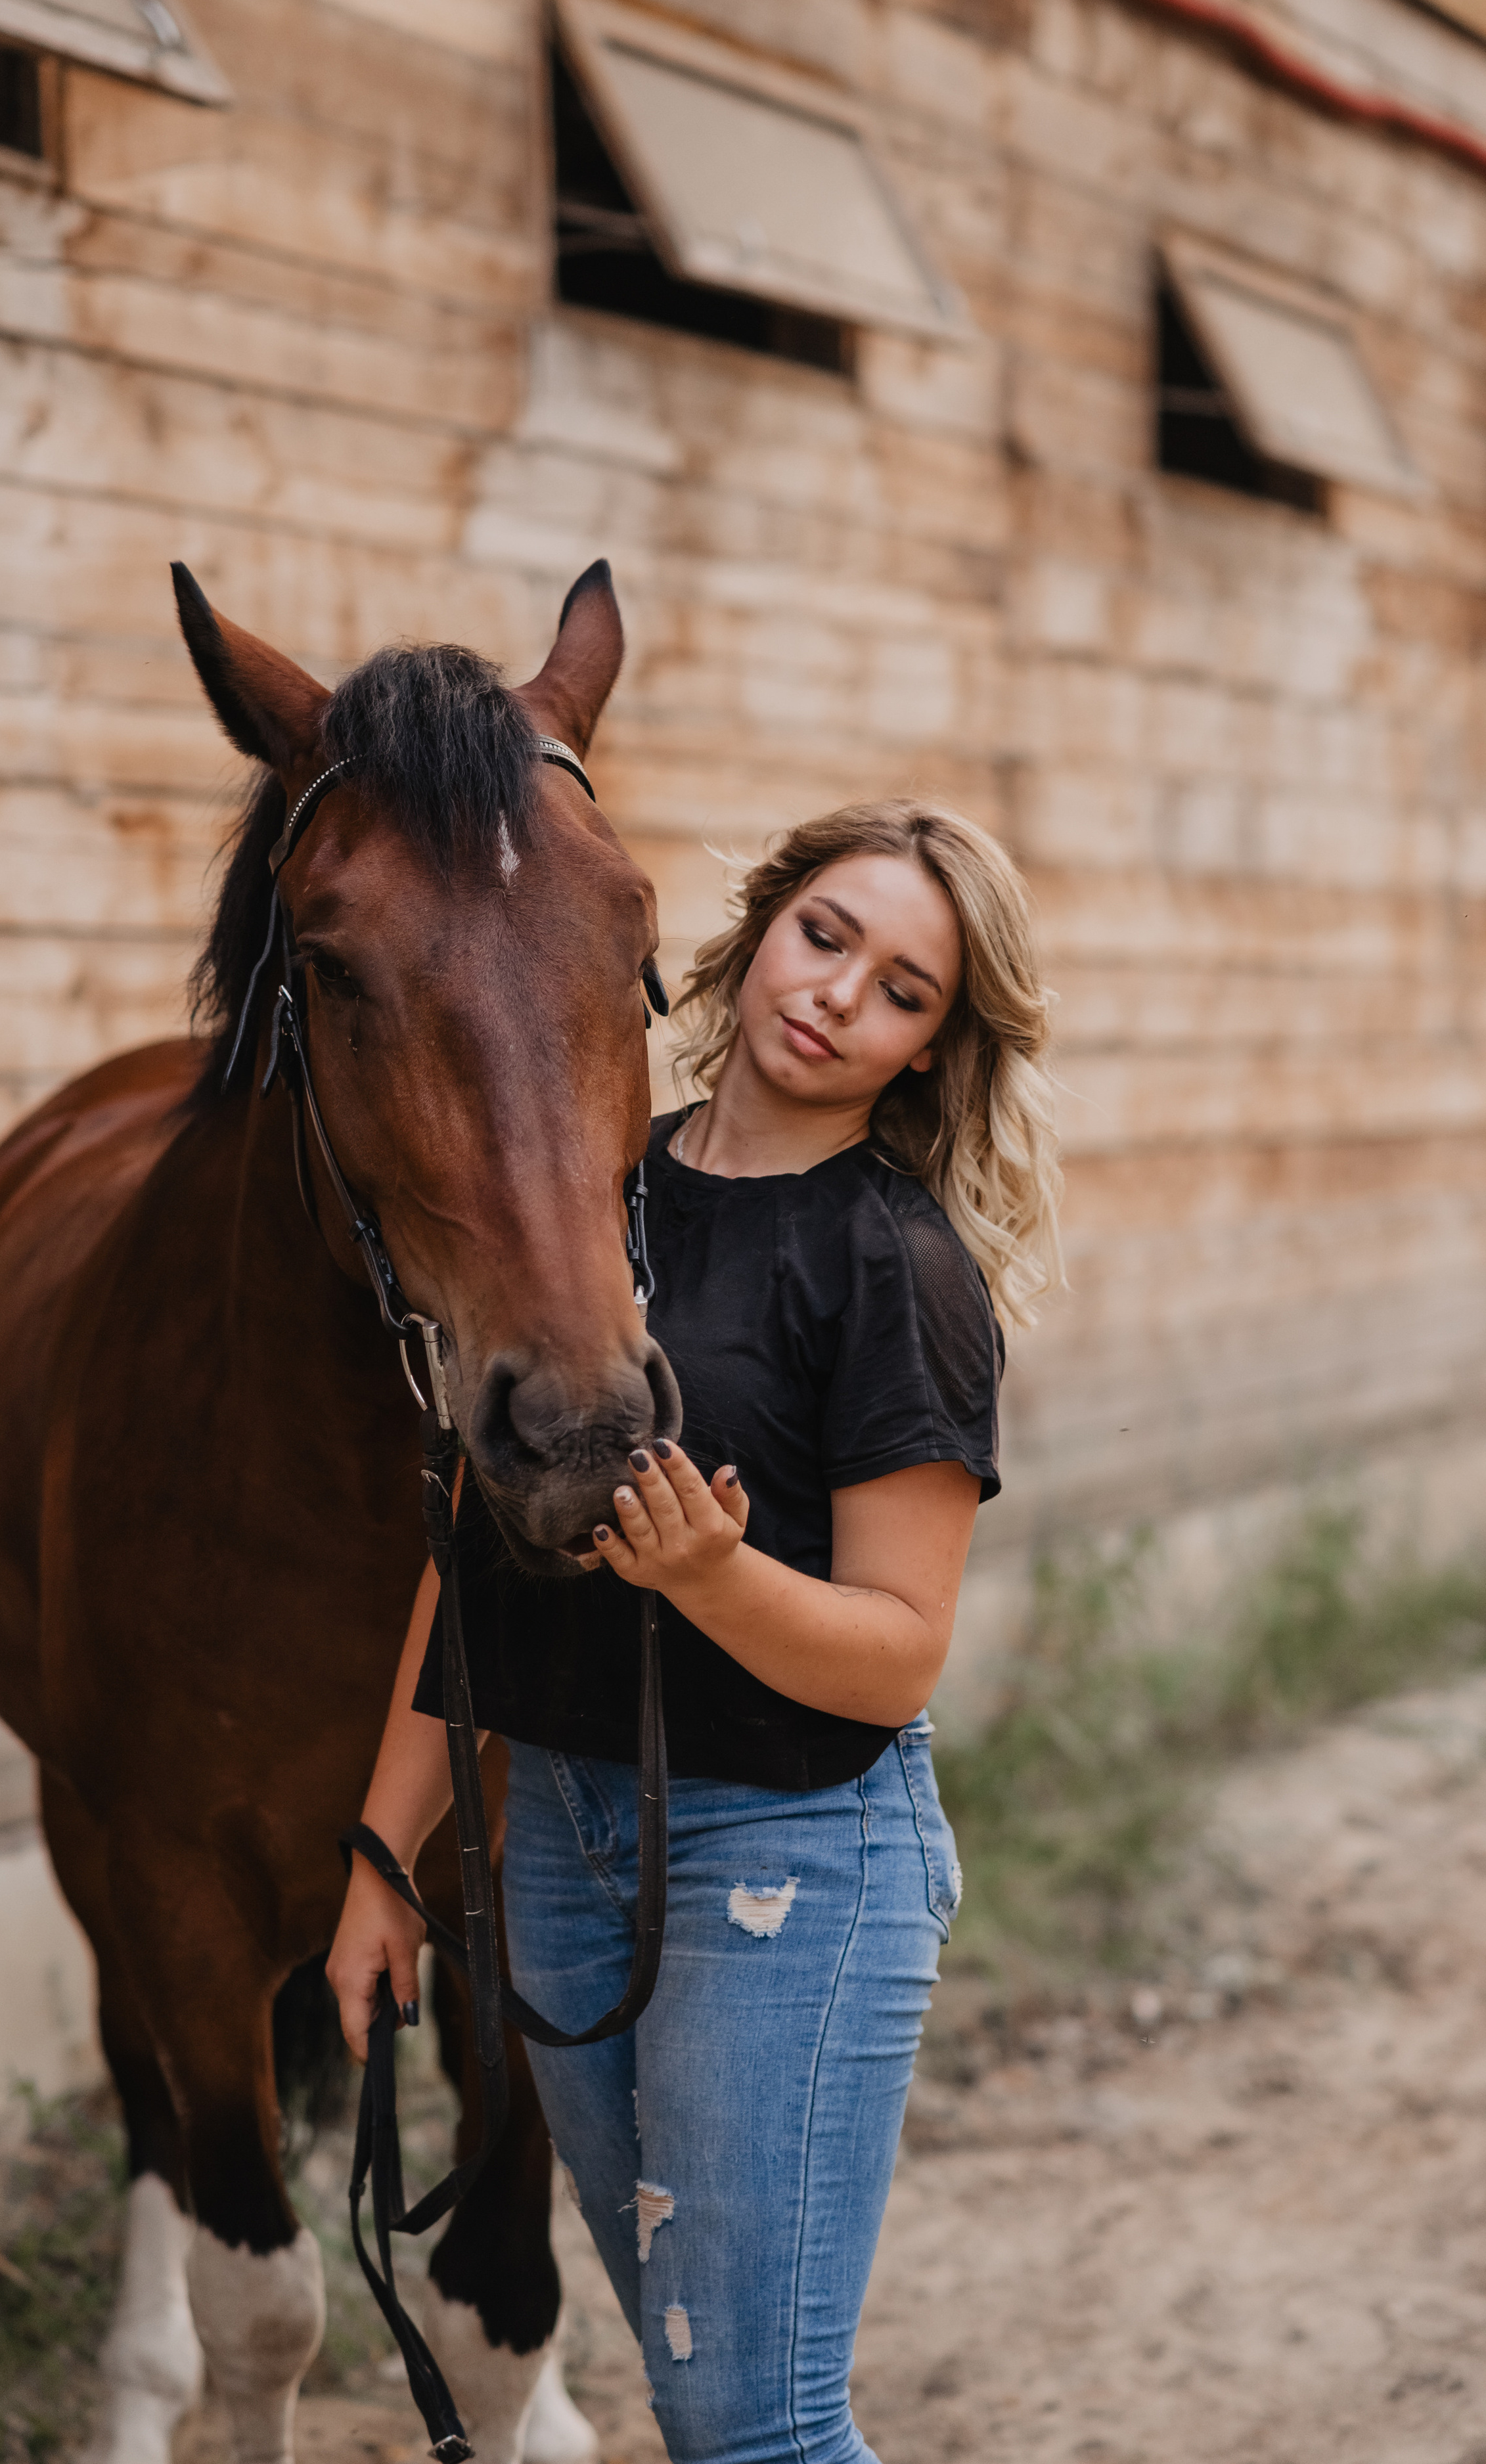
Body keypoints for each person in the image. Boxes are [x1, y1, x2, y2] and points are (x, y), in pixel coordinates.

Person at [328, 799, 1063, 2464]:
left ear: (930, 1052)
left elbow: (896, 1657)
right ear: (757, 922)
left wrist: (707, 1577)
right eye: (826, 936)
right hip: (565, 1864)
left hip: (793, 1859)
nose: (835, 997)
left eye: (902, 991)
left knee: (757, 2426)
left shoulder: (891, 1264)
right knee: (692, 2390)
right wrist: (382, 1859)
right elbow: (466, 1556)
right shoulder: (589, 1199)